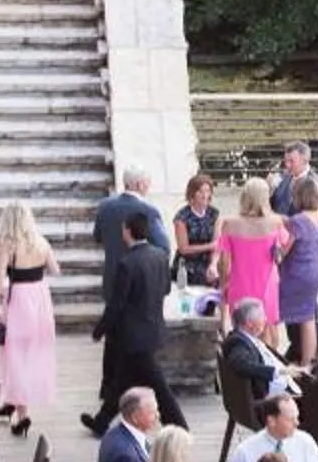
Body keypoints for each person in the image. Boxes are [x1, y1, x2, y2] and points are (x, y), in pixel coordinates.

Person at [89, 207, 184, 433]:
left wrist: (100, 330)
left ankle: (179, 426)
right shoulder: (160, 256)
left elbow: (117, 304)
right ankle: (101, 421)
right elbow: (165, 288)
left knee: (159, 386)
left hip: (133, 336)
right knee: (122, 378)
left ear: (127, 231)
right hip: (153, 328)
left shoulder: (127, 263)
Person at [0, 200, 59, 434]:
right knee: (31, 355)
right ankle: (10, 402)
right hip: (40, 301)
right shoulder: (41, 242)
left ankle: (23, 415)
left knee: (15, 356)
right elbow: (55, 270)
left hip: (18, 301)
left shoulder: (8, 245)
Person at [215, 179, 287, 344]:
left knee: (242, 332)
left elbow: (225, 261)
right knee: (268, 329)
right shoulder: (275, 222)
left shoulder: (230, 224)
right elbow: (284, 245)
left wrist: (224, 284)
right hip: (267, 283)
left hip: (239, 284)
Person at [91, 167, 169, 295]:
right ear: (139, 184)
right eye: (147, 183)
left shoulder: (104, 206)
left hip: (112, 278)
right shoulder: (148, 210)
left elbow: (98, 237)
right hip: (139, 281)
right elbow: (163, 247)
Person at [279, 178, 318, 368]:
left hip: (296, 272)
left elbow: (284, 250)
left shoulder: (297, 221)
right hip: (315, 270)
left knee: (276, 312)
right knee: (308, 317)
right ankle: (308, 363)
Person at [218, 297, 295, 407]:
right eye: (262, 316)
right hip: (271, 396)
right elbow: (239, 363)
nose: (265, 319)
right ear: (249, 323)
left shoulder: (246, 338)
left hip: (285, 382)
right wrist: (277, 371)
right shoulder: (239, 343)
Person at [172, 173, 220, 287]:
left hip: (208, 261)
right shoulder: (182, 217)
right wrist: (209, 246)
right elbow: (183, 249)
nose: (204, 195)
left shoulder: (213, 213)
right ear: (192, 194)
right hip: (189, 264)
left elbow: (217, 244)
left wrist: (213, 264)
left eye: (207, 191)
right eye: (200, 192)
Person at [270, 142, 318, 229]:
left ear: (305, 161)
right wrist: (268, 191)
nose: (287, 165)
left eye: (291, 161)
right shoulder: (282, 179)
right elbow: (273, 207)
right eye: (286, 161)